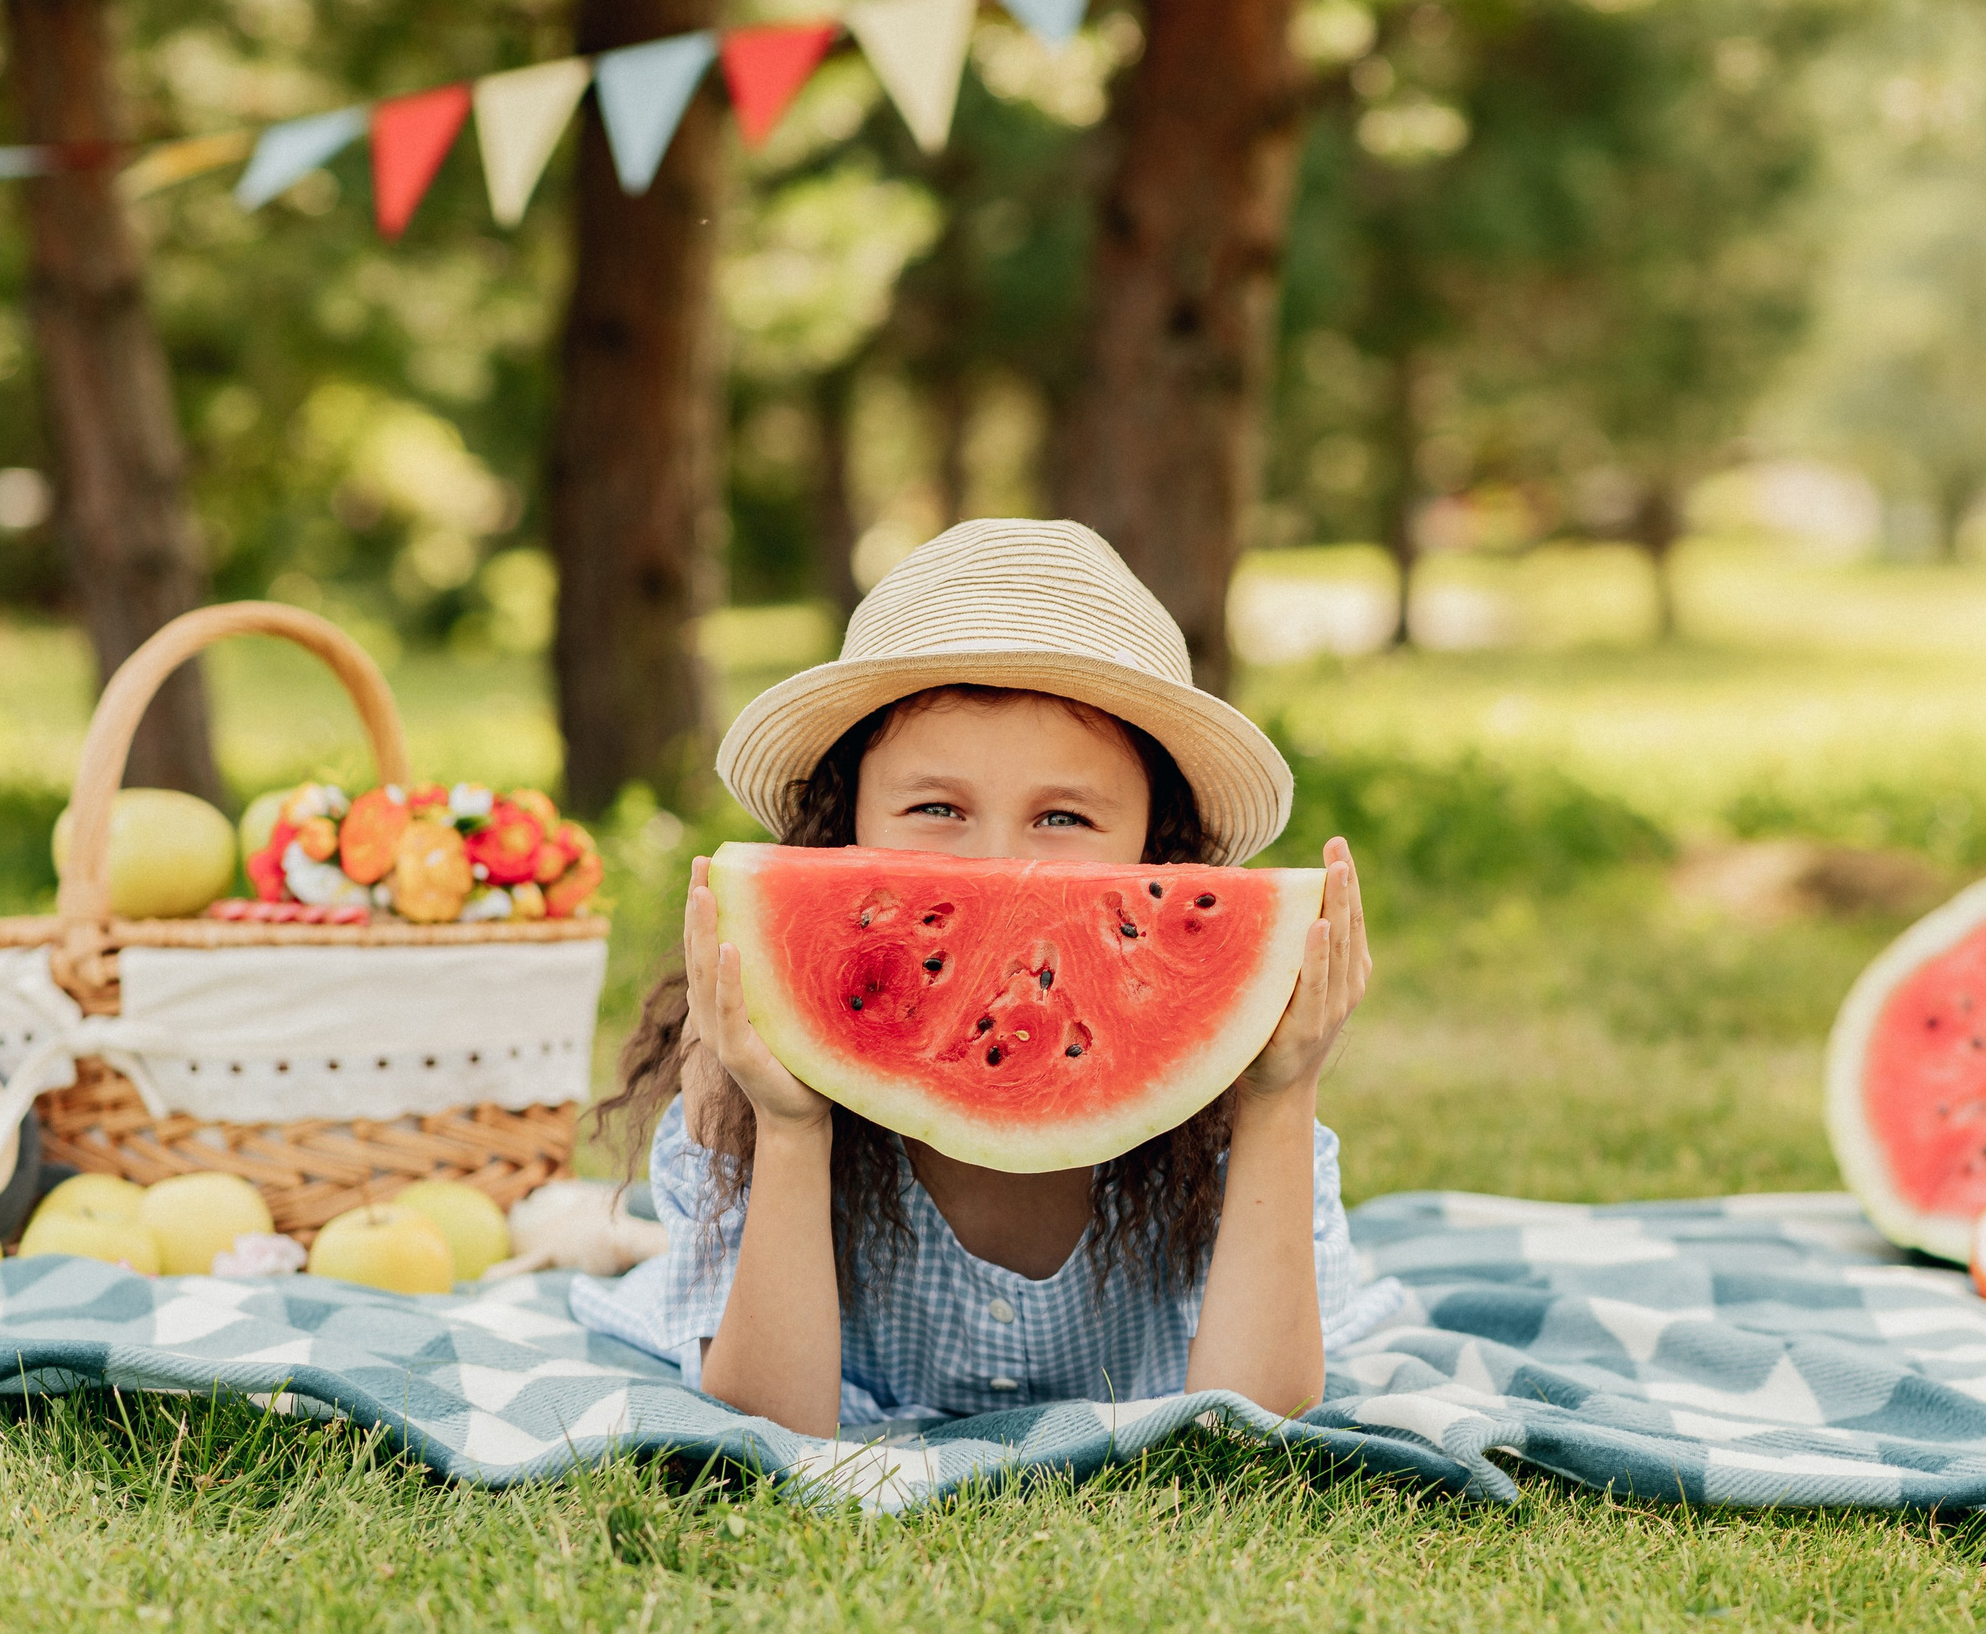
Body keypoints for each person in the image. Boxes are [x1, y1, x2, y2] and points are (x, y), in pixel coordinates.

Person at [571, 519, 1404, 1436]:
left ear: (1154, 844)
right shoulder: (742, 1070)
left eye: (1063, 817)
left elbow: (1260, 1428)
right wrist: (794, 1126)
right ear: (842, 820)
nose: (1005, 869)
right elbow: (773, 1430)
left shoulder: (1228, 1105)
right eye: (936, 807)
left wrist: (1281, 1097)